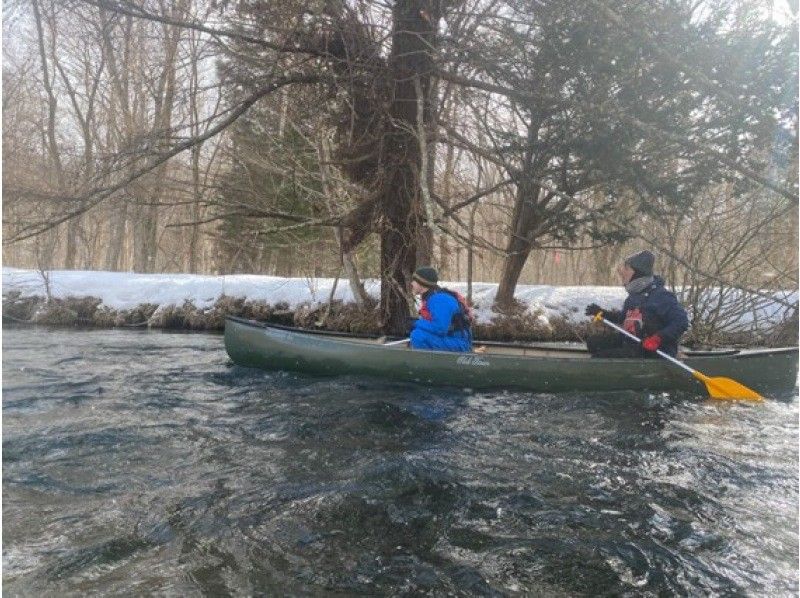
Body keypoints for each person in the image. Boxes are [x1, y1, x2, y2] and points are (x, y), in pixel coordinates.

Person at [584, 250, 688, 358]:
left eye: (626, 268)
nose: (622, 272)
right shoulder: (633, 297)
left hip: (653, 350)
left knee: (599, 357)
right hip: (632, 343)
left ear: (637, 273)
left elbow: (681, 322)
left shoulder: (661, 296)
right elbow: (623, 319)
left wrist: (658, 338)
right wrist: (602, 313)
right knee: (593, 343)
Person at [408, 266, 472, 352]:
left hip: (460, 343)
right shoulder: (433, 297)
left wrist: (416, 323)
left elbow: (440, 329)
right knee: (418, 331)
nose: (411, 283)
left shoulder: (439, 300)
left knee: (418, 336)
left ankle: (428, 364)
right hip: (452, 338)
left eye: (414, 281)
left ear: (421, 283)